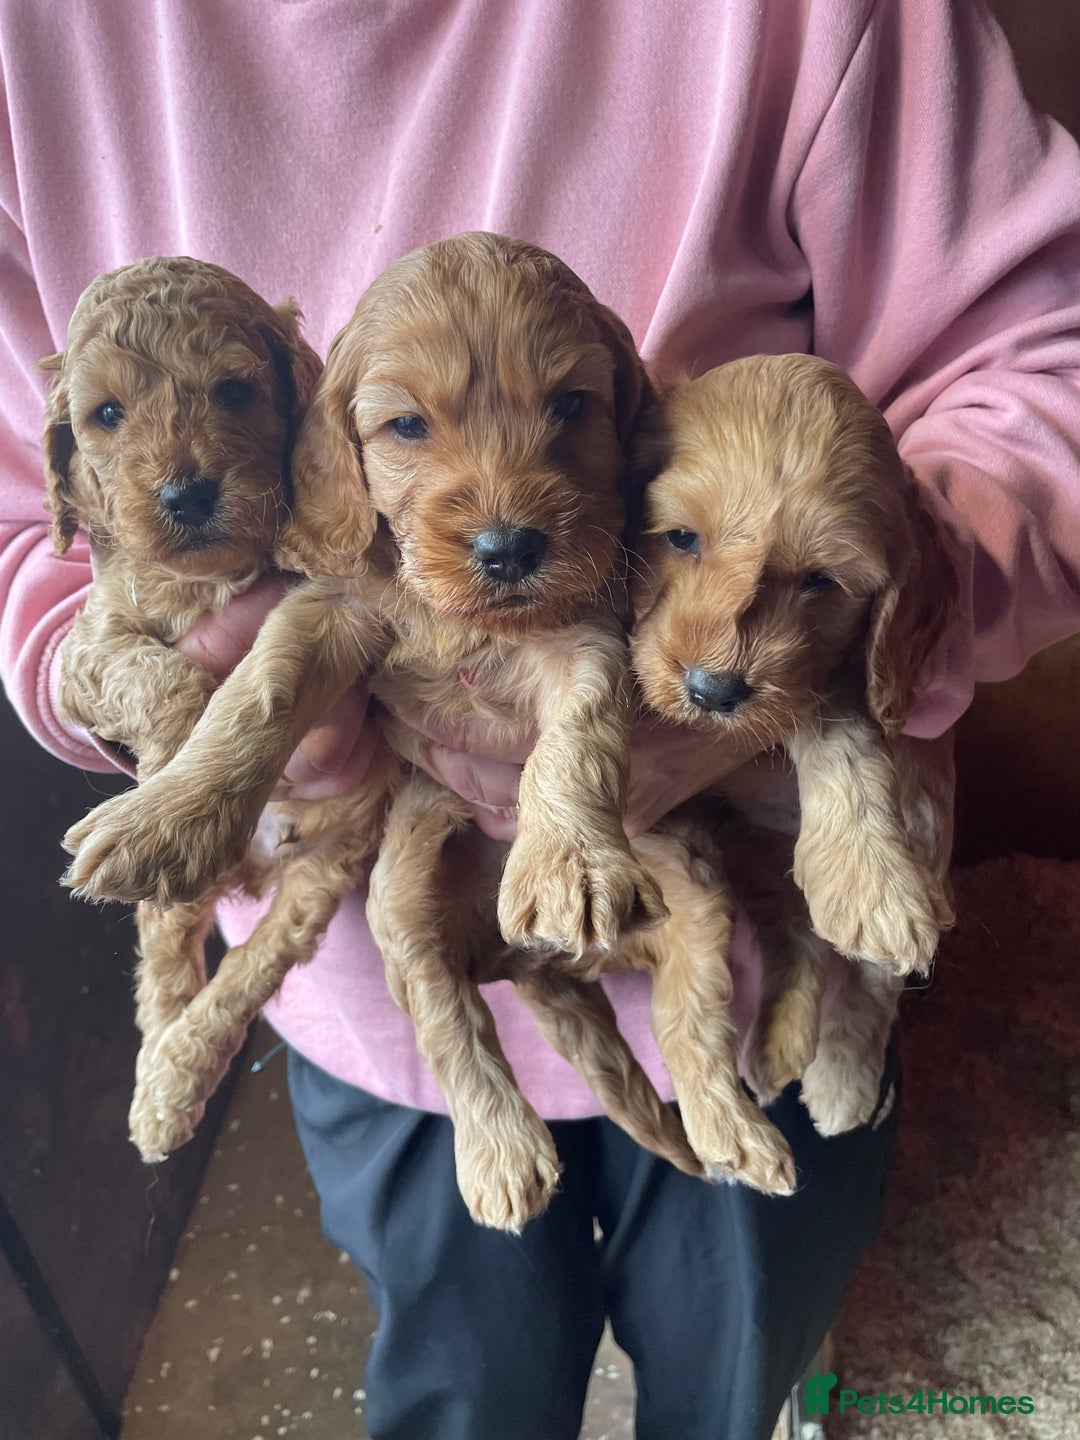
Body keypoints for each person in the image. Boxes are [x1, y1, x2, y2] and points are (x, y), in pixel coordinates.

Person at [2, 2, 1079, 1436]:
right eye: (407, 429)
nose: (498, 503)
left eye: (570, 413)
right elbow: (33, 516)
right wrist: (156, 693)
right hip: (380, 994)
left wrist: (759, 676)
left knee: (734, 1381)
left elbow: (1048, 369)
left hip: (759, 937)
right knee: (461, 1392)